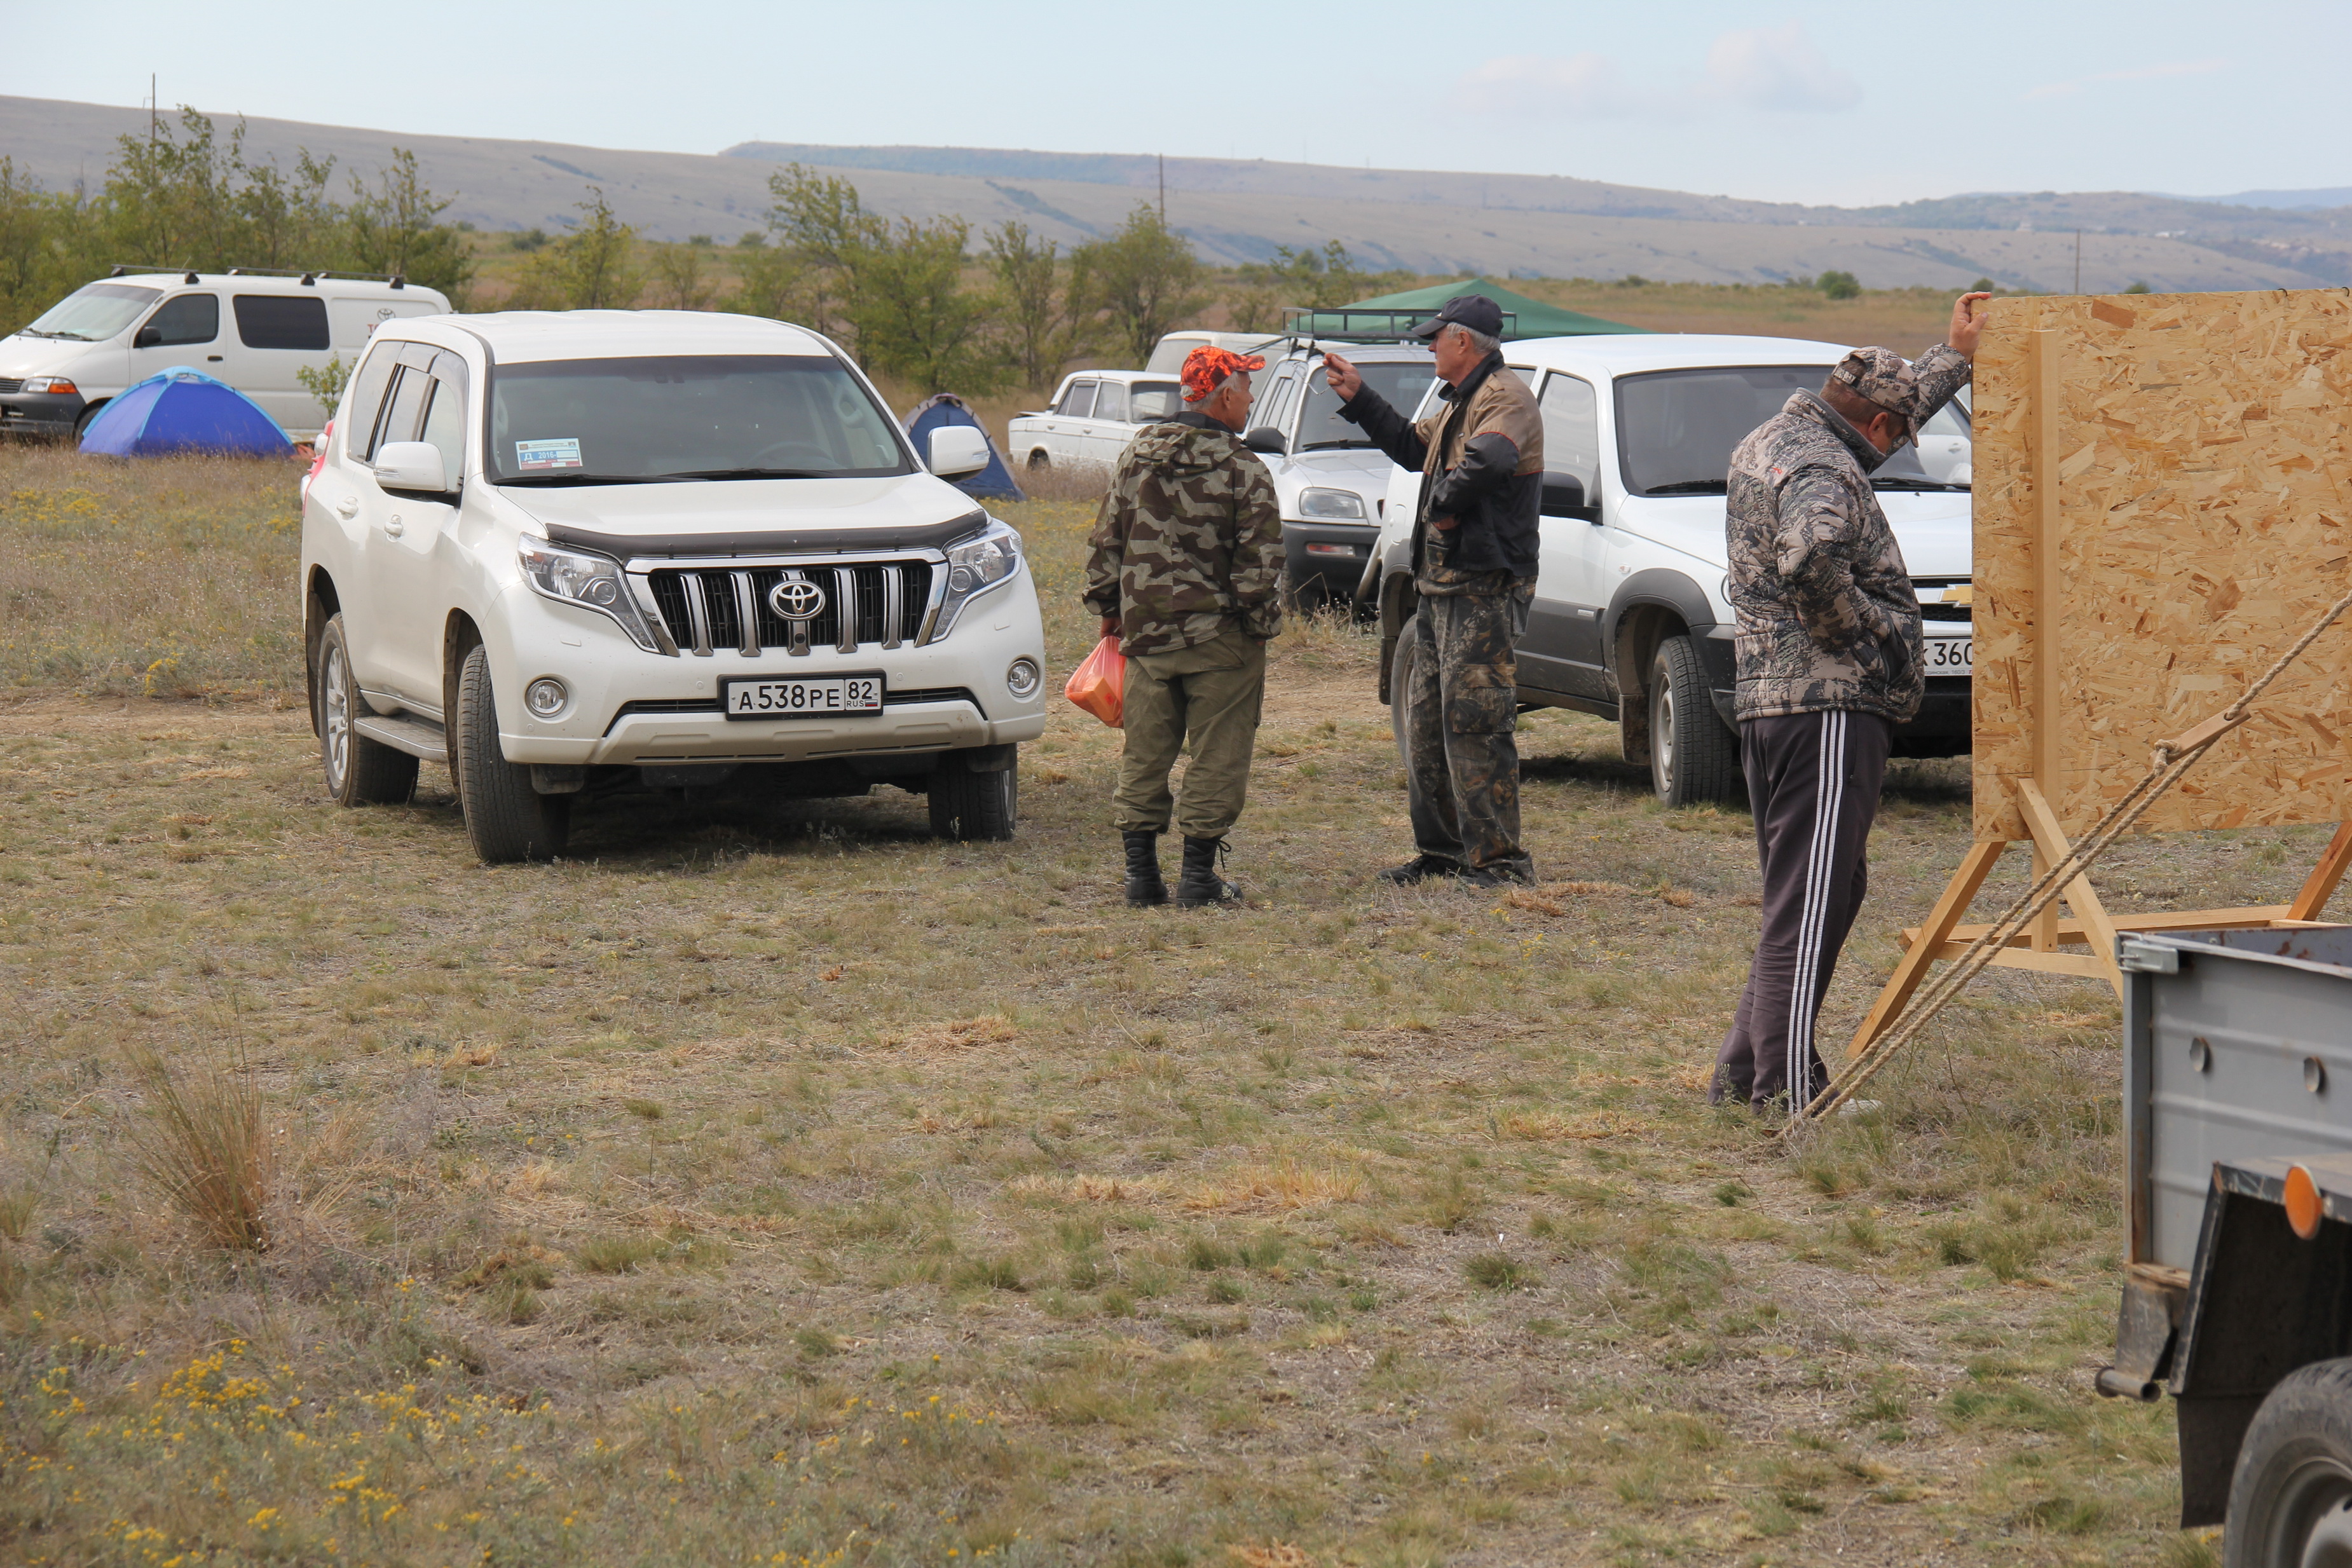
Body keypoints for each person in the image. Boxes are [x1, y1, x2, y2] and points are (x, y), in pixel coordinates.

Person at [1711, 291, 1991, 1115]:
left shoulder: (1780, 440)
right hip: (1827, 709)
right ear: (1872, 426)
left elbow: (1883, 415)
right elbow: (1809, 561)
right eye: (1898, 436)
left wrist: (1955, 357)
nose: (1898, 449)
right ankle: (1787, 1092)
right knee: (1810, 902)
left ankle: (1743, 1072)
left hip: (1774, 705)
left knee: (1817, 892)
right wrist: (1869, 633)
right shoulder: (1823, 469)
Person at [1323, 294, 1544, 887]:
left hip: (1482, 588)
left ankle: (1499, 862)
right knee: (1426, 724)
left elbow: (1491, 461)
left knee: (1477, 722)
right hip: (1441, 587)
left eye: (1436, 337)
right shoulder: (1460, 403)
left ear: (1463, 341)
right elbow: (1409, 445)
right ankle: (1443, 852)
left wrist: (1443, 507)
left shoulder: (1505, 398)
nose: (1429, 347)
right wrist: (1359, 397)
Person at [1083, 344, 1285, 910]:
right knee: (1218, 754)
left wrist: (1110, 611)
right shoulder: (1244, 467)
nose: (1251, 401)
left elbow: (1107, 539)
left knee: (1144, 753)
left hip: (1146, 635)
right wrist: (1257, 626)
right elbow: (1262, 562)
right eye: (1247, 390)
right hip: (1222, 641)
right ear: (1224, 396)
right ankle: (1198, 879)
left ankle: (1141, 878)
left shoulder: (1137, 455)